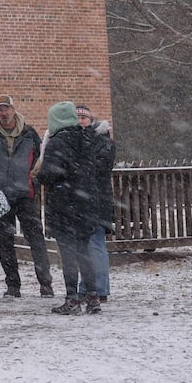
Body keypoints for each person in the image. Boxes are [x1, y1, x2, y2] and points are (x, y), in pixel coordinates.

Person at [0, 94, 55, 298]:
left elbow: (40, 161)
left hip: (26, 195)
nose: (3, 113)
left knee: (36, 241)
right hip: (0, 197)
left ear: (13, 109)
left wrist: (33, 182)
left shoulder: (29, 134)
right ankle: (13, 285)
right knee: (5, 243)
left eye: (6, 109)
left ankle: (45, 283)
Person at [38, 101, 100, 315]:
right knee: (84, 251)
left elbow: (50, 173)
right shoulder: (87, 139)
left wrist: (40, 177)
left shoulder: (57, 142)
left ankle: (72, 298)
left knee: (68, 253)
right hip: (86, 203)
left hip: (64, 204)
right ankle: (93, 296)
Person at [82, 109, 116, 304]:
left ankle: (100, 288)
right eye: (77, 117)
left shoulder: (103, 142)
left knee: (96, 244)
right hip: (84, 200)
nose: (81, 121)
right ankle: (86, 286)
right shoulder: (80, 141)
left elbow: (97, 168)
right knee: (84, 246)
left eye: (84, 117)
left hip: (97, 201)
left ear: (91, 120)